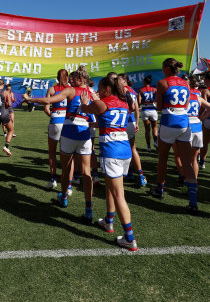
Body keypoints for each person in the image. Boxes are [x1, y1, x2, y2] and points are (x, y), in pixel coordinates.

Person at [24, 66, 96, 220]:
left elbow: (50, 100)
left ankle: (64, 197)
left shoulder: (71, 91)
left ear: (80, 79)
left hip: (69, 133)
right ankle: (89, 208)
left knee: (66, 169)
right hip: (85, 134)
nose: (71, 80)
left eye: (74, 78)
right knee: (86, 172)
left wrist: (31, 99)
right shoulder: (92, 93)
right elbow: (101, 111)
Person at [80, 76, 138, 251]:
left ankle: (129, 238)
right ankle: (108, 221)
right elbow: (106, 121)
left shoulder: (102, 103)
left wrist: (86, 99)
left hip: (111, 150)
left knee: (119, 194)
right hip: (124, 149)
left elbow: (85, 107)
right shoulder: (123, 102)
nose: (98, 90)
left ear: (106, 88)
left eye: (100, 87)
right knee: (111, 188)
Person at [150, 59, 198, 214]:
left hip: (169, 121)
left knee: (163, 158)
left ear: (166, 68)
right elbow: (187, 105)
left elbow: (159, 106)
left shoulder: (163, 83)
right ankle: (193, 201)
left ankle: (160, 189)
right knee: (187, 162)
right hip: (184, 122)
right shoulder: (185, 83)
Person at [43, 69, 70, 189]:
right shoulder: (71, 89)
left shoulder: (52, 89)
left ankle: (53, 179)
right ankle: (68, 184)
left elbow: (46, 109)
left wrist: (54, 117)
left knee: (52, 153)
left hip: (55, 120)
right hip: (67, 122)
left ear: (57, 77)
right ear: (67, 77)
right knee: (67, 154)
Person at [119, 73, 146, 186]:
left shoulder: (122, 90)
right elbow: (137, 108)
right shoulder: (133, 90)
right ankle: (139, 174)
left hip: (123, 123)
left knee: (123, 148)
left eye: (119, 80)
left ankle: (128, 172)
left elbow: (133, 107)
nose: (117, 81)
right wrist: (137, 122)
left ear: (124, 81)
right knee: (132, 148)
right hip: (131, 122)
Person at [0, 79, 13, 157]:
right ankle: (6, 146)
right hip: (4, 113)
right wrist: (6, 103)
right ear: (3, 85)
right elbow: (10, 104)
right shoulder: (6, 92)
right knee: (11, 130)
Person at [138, 75, 158, 152]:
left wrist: (143, 102)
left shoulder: (141, 90)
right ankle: (156, 142)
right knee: (154, 127)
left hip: (145, 110)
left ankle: (148, 146)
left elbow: (139, 102)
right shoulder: (154, 89)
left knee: (147, 129)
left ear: (144, 82)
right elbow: (158, 98)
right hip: (153, 109)